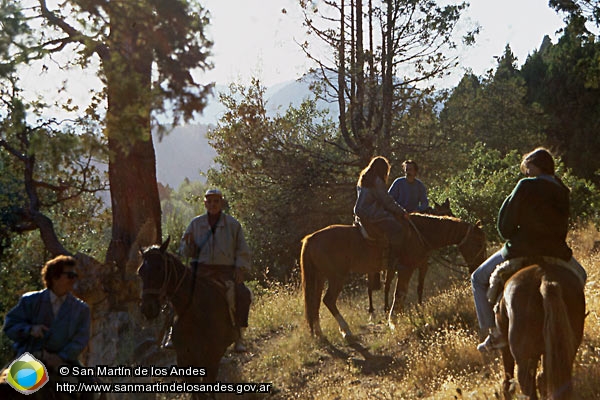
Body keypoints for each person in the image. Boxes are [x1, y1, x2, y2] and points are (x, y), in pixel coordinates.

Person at [471, 147, 587, 352]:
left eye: (528, 168)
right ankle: (573, 321)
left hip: (522, 250)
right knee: (581, 277)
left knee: (478, 278)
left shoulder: (525, 186)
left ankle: (494, 334)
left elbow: (504, 228)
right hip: (556, 252)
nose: (526, 173)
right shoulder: (562, 190)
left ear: (536, 166)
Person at [179, 188, 252, 352]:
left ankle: (238, 335)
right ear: (205, 203)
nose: (212, 204)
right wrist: (188, 245)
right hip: (200, 271)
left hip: (224, 271)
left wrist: (240, 268)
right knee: (179, 293)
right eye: (209, 201)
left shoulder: (233, 225)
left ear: (221, 203)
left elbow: (242, 249)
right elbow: (184, 250)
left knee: (242, 294)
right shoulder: (195, 224)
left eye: (216, 201)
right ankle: (172, 330)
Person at [354, 156, 408, 250]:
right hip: (372, 214)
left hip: (360, 212)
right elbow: (386, 201)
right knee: (398, 229)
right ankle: (393, 258)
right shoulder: (377, 181)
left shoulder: (363, 180)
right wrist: (402, 212)